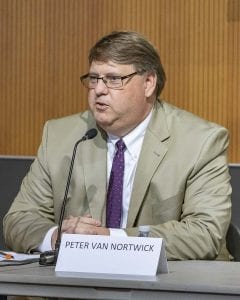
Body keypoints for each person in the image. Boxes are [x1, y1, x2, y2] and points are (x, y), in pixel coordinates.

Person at [3, 31, 231, 260]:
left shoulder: (200, 142)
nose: (99, 90)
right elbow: (19, 219)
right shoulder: (61, 136)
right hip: (78, 285)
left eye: (113, 79)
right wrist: (58, 237)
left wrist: (110, 240)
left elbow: (205, 233)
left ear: (149, 83)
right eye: (94, 78)